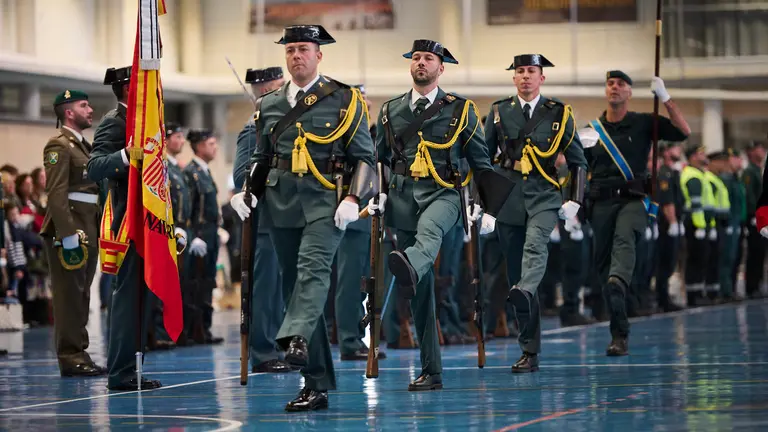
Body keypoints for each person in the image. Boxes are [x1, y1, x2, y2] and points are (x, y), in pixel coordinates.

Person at [229, 24, 375, 411]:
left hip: (327, 203)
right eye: (291, 49)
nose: (296, 55)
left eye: (304, 49)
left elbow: (366, 157)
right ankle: (317, 385)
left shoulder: (345, 99)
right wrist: (245, 192)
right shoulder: (269, 104)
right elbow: (261, 158)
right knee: (297, 288)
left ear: (318, 55)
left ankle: (293, 337)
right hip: (281, 205)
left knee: (312, 271)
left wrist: (354, 197)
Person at [369, 39, 499, 389]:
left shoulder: (461, 109)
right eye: (416, 57)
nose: (421, 62)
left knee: (428, 234)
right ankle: (431, 370)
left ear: (441, 68)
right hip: (402, 199)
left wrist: (486, 206)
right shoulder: (390, 110)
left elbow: (481, 162)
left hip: (445, 193)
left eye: (429, 58)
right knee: (420, 290)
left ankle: (409, 263)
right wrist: (377, 194)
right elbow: (379, 159)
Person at [484, 54, 587, 373]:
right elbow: (482, 160)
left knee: (535, 247)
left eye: (531, 71)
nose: (525, 76)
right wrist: (482, 204)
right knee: (515, 273)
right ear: (514, 78)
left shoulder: (559, 113)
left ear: (542, 78)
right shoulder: (499, 112)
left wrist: (575, 198)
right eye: (520, 71)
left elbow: (578, 161)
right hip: (508, 198)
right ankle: (529, 349)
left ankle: (526, 288)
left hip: (544, 195)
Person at [88, 66, 184, 390]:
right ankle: (120, 372)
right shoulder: (115, 122)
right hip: (127, 223)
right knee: (128, 298)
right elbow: (94, 167)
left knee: (144, 298)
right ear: (128, 88)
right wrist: (126, 155)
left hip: (149, 221)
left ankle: (133, 369)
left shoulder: (147, 124)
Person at [582, 70, 689, 355]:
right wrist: (571, 204)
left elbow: (683, 131)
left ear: (629, 92)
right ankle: (618, 324)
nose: (614, 88)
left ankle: (618, 284)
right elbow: (577, 167)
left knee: (624, 239)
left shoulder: (643, 123)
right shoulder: (590, 130)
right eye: (610, 84)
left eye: (621, 84)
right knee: (603, 268)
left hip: (633, 200)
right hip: (600, 205)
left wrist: (665, 98)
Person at [41, 89, 106, 377]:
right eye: (83, 105)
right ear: (68, 112)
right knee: (69, 296)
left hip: (87, 225)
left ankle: (80, 352)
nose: (90, 110)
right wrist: (67, 234)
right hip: (71, 229)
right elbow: (56, 193)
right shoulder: (59, 145)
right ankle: (70, 356)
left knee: (81, 294)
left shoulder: (82, 146)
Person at [233, 66, 293, 372]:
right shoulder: (253, 129)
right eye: (280, 87)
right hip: (266, 220)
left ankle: (279, 347)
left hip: (286, 218)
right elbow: (241, 176)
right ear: (267, 91)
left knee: (281, 291)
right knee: (266, 290)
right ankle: (262, 352)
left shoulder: (281, 125)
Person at [184, 129, 224, 345]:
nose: (215, 147)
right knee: (196, 284)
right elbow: (189, 209)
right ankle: (195, 330)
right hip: (199, 235)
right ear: (199, 146)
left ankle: (205, 328)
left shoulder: (205, 172)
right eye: (211, 144)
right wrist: (193, 236)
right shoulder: (191, 173)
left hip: (210, 234)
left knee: (208, 281)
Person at [680, 145, 714, 307]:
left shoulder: (700, 174)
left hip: (701, 224)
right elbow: (696, 205)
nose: (704, 155)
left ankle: (699, 292)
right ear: (693, 157)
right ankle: (693, 296)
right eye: (700, 153)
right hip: (694, 225)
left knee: (702, 260)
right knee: (695, 260)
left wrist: (710, 225)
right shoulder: (692, 176)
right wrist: (700, 226)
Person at [654, 142, 685, 312]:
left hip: (674, 222)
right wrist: (672, 222)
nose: (679, 150)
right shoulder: (664, 173)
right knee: (665, 262)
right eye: (675, 147)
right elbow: (667, 201)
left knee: (670, 262)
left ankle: (663, 295)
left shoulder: (673, 172)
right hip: (666, 225)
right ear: (666, 152)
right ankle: (662, 298)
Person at [743, 142, 766, 298]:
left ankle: (757, 284)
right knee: (755, 252)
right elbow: (750, 195)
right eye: (759, 148)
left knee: (761, 253)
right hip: (755, 219)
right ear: (751, 152)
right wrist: (753, 215)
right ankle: (751, 286)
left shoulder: (759, 170)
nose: (762, 151)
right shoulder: (749, 172)